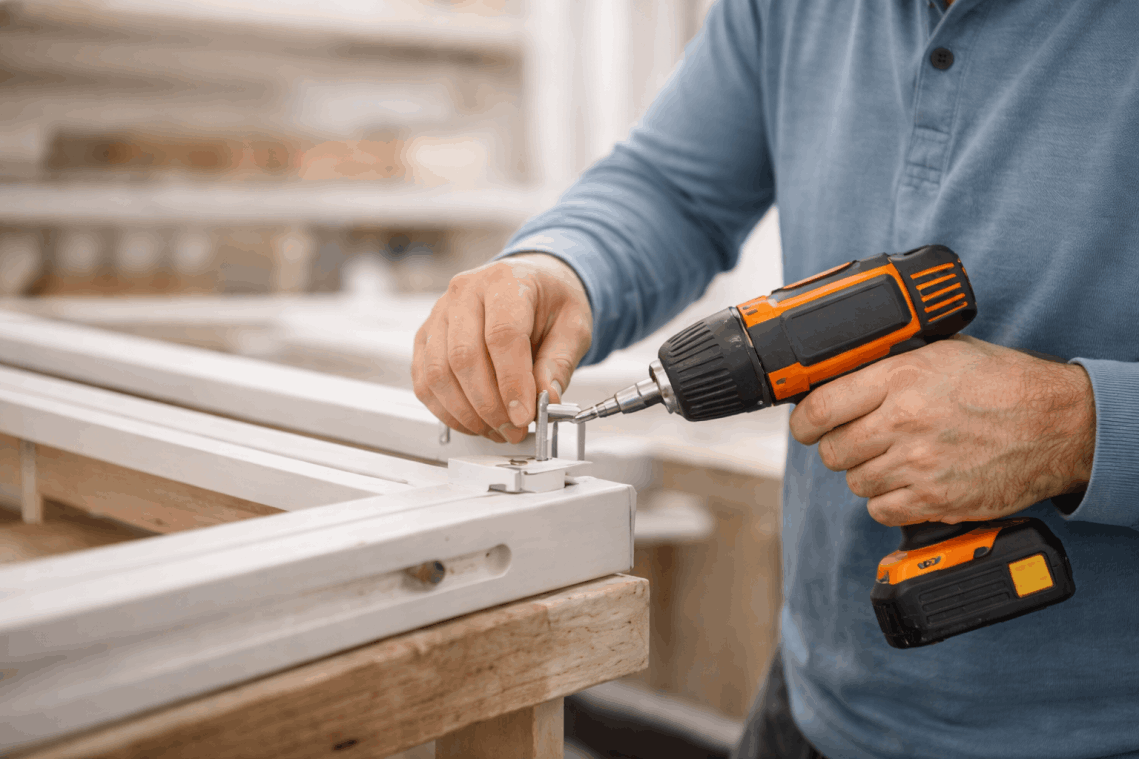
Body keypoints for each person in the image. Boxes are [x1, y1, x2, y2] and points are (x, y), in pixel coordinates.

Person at [412, 2, 1139, 757]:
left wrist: (1081, 428)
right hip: (817, 697)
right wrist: (559, 265)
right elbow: (674, 188)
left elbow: (1086, 426)